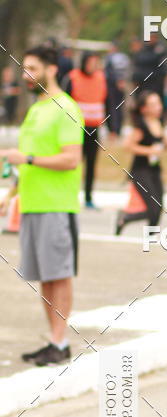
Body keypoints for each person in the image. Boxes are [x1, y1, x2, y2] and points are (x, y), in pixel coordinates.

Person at [0, 45, 83, 366]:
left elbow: (71, 159)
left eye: (33, 68)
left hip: (57, 206)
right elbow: (26, 163)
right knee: (45, 277)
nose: (26, 75)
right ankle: (53, 341)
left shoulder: (66, 108)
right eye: (24, 68)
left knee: (59, 275)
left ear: (52, 69)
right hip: (32, 205)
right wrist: (10, 196)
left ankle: (61, 342)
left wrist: (28, 158)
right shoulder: (36, 109)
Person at [115, 91, 167, 235]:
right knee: (152, 208)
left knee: (158, 208)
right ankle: (125, 217)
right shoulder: (140, 127)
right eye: (153, 104)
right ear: (144, 109)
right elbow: (127, 146)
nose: (158, 107)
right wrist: (149, 150)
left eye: (158, 103)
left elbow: (164, 141)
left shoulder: (157, 123)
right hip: (140, 171)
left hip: (154, 169)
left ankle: (150, 239)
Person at [63, 52, 107, 209]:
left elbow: (107, 101)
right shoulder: (72, 78)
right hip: (77, 128)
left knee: (91, 165)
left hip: (94, 128)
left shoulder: (101, 78)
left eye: (96, 62)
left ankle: (88, 197)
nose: (93, 66)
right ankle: (70, 194)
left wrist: (113, 126)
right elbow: (65, 102)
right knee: (75, 163)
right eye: (91, 62)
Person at [104, 42, 130, 137]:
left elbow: (117, 72)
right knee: (117, 108)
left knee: (114, 108)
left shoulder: (114, 58)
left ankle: (114, 131)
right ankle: (116, 130)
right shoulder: (123, 57)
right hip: (115, 85)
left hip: (113, 86)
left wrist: (119, 80)